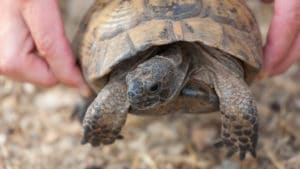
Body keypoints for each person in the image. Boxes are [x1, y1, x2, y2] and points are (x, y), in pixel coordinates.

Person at [0, 0, 299, 95]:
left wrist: (241, 130)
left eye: (153, 87)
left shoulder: (218, 69)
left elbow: (238, 97)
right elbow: (119, 91)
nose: (134, 94)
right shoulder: (131, 82)